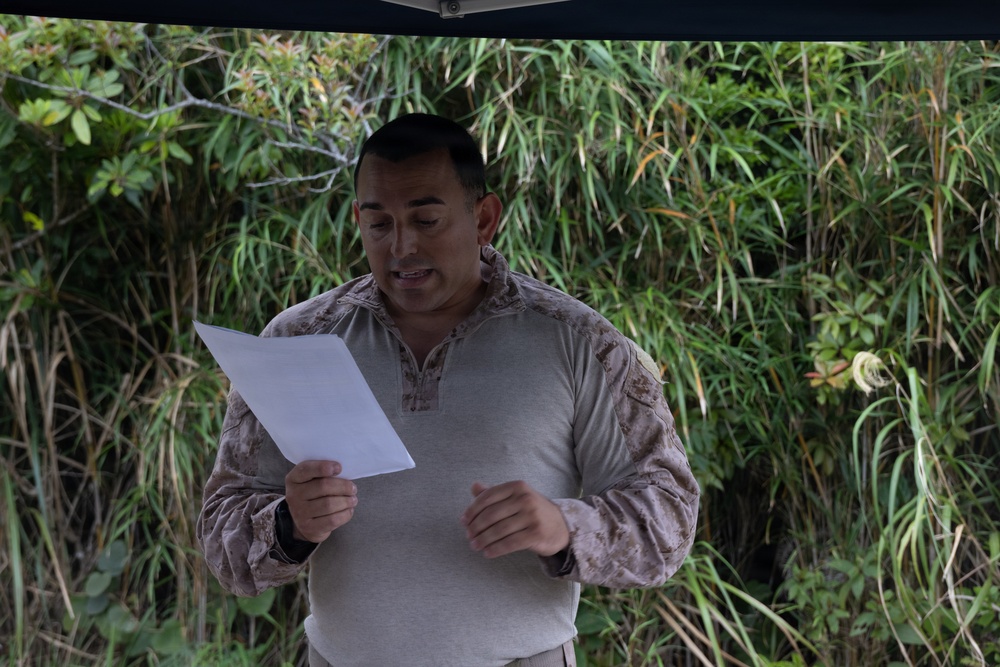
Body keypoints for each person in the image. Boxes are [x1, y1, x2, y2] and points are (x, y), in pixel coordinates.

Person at [197, 113, 700, 667]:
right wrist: (290, 525)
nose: (401, 247)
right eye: (378, 223)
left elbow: (669, 518)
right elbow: (223, 536)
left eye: (427, 220)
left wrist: (563, 526)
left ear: (484, 218)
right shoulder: (295, 341)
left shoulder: (580, 341)